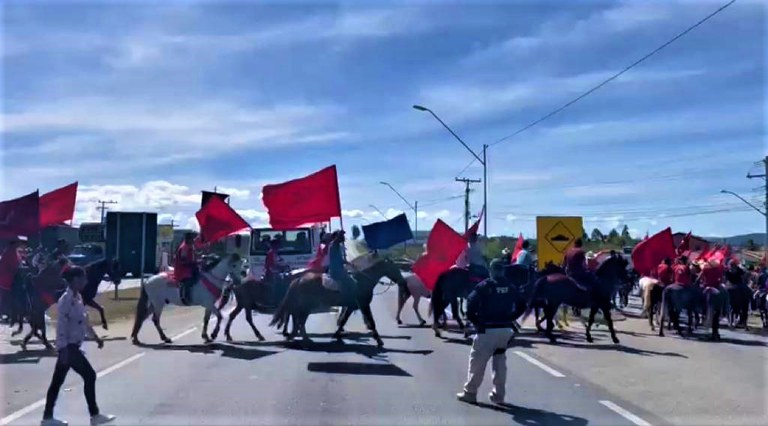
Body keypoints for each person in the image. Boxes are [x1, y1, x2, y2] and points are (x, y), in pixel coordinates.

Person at [41, 266, 115, 426]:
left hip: (72, 347)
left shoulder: (78, 298)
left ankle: (47, 418)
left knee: (57, 381)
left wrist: (96, 338)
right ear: (75, 280)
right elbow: (61, 326)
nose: (86, 281)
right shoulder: (65, 300)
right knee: (89, 375)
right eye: (83, 278)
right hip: (68, 348)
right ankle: (94, 415)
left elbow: (84, 321)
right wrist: (64, 350)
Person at [457, 259, 520, 405]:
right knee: (500, 363)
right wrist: (511, 318)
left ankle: (470, 393)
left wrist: (477, 323)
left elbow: (470, 305)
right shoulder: (510, 286)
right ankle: (499, 395)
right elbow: (522, 304)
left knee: (477, 362)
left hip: (487, 330)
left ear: (491, 271)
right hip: (505, 331)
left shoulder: (485, 286)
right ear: (503, 270)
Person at [327, 231, 357, 303]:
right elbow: (338, 260)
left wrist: (349, 263)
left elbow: (340, 259)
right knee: (352, 283)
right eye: (342, 237)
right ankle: (347, 299)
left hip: (338, 269)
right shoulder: (334, 245)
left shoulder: (336, 245)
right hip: (336, 271)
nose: (343, 238)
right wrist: (348, 263)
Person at [174, 233, 198, 305]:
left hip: (189, 268)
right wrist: (193, 263)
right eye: (192, 239)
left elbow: (193, 257)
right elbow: (183, 261)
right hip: (182, 270)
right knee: (189, 281)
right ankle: (186, 297)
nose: (193, 240)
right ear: (188, 239)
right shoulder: (184, 247)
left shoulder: (190, 246)